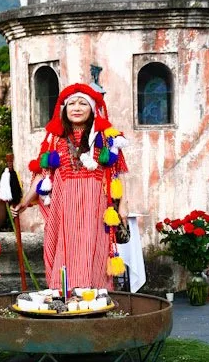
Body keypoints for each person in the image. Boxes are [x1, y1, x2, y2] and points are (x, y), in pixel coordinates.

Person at [11, 83, 128, 290]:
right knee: (64, 248)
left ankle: (94, 294)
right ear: (64, 109)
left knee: (94, 247)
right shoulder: (55, 139)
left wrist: (123, 206)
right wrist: (25, 202)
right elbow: (43, 174)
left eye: (83, 103)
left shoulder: (106, 137)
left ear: (92, 108)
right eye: (72, 103)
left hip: (95, 204)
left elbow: (117, 173)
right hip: (63, 205)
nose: (77, 108)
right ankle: (65, 294)